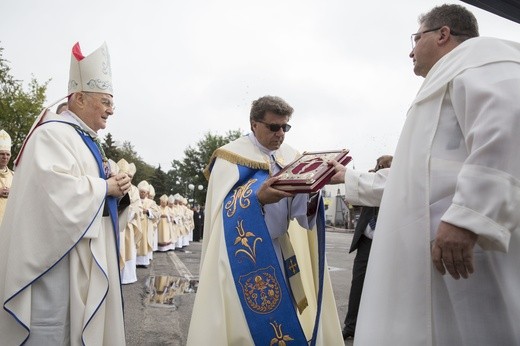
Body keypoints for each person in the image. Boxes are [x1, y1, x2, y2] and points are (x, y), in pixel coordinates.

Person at [328, 4, 520, 345]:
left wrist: (468, 216)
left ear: (442, 34)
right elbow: (413, 178)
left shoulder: (483, 58)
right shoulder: (449, 77)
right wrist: (349, 178)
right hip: (439, 255)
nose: (410, 50)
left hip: (468, 252)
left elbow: (507, 128)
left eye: (416, 39)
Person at [0, 42, 130, 345]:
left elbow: (98, 190)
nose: (111, 109)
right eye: (105, 101)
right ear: (80, 98)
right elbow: (52, 194)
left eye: (113, 103)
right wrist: (104, 188)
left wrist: (120, 193)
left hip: (83, 255)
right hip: (55, 261)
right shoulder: (51, 134)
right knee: (55, 328)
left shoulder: (89, 140)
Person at [187, 95, 343, 345]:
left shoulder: (291, 156)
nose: (280, 134)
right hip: (240, 258)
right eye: (273, 127)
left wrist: (313, 188)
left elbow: (301, 213)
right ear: (254, 124)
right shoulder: (229, 158)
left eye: (285, 127)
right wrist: (257, 198)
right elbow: (222, 212)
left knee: (285, 317)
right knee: (245, 324)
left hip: (280, 251)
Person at [340, 155, 392, 340]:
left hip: (387, 243)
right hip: (366, 242)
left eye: (385, 166)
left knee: (385, 286)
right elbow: (353, 201)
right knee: (358, 284)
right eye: (379, 165)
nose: (380, 168)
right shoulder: (368, 183)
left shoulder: (392, 185)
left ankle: (380, 326)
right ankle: (350, 326)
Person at [0, 130, 14, 224]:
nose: (5, 157)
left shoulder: (14, 176)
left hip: (9, 222)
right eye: (1, 153)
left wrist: (13, 193)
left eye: (7, 154)